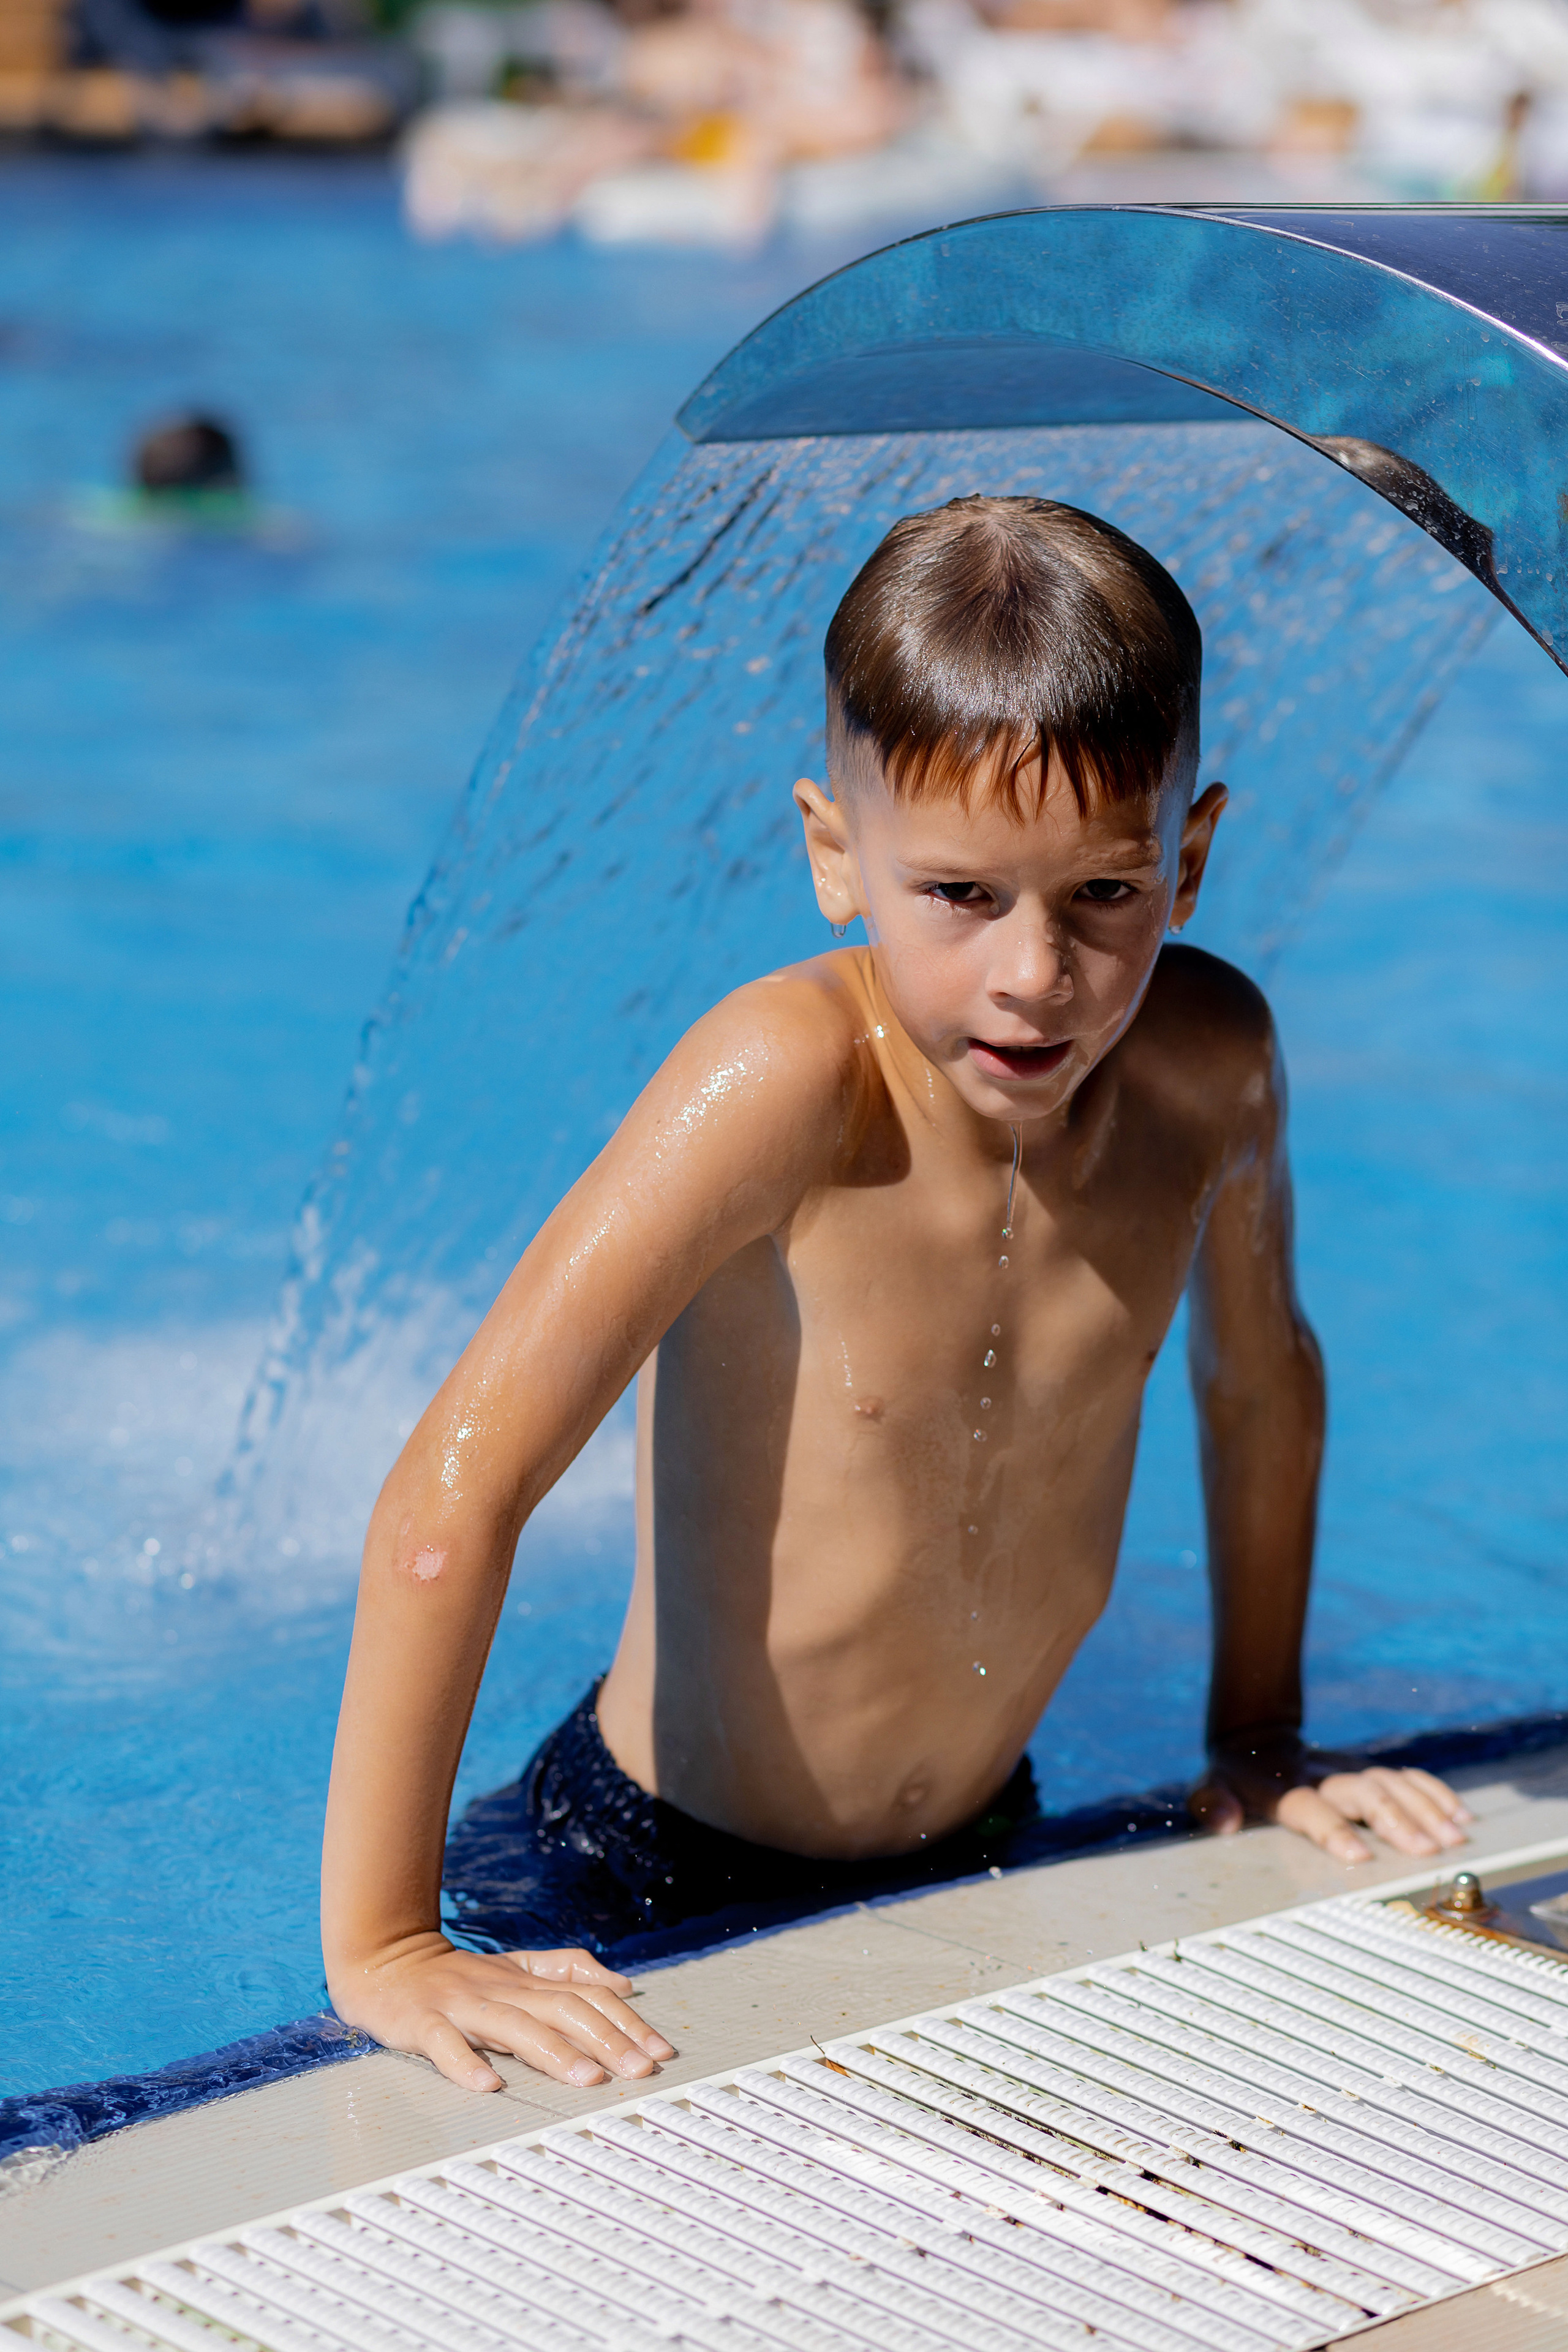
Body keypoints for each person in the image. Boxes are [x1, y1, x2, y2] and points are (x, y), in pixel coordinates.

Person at [322, 494, 1472, 2096]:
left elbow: (1261, 1381)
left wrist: (1258, 1739)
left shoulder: (1215, 1068)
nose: (1033, 973)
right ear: (831, 855)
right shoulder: (781, 1086)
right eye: (959, 895)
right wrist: (389, 1945)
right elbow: (461, 1488)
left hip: (978, 1832)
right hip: (648, 1870)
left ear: (1189, 858)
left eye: (1104, 896)